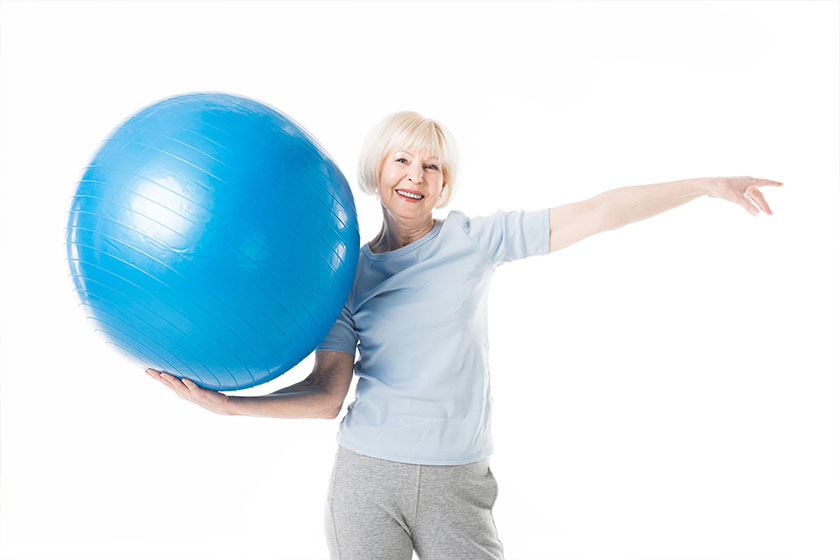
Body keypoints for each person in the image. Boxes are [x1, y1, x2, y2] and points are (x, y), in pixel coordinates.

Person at [145, 111, 782, 560]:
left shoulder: (477, 241)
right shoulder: (347, 276)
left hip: (457, 479)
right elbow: (326, 396)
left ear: (445, 183)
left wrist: (703, 186)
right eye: (402, 159)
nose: (415, 175)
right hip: (368, 476)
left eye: (432, 165)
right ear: (378, 169)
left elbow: (598, 211)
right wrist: (229, 405)